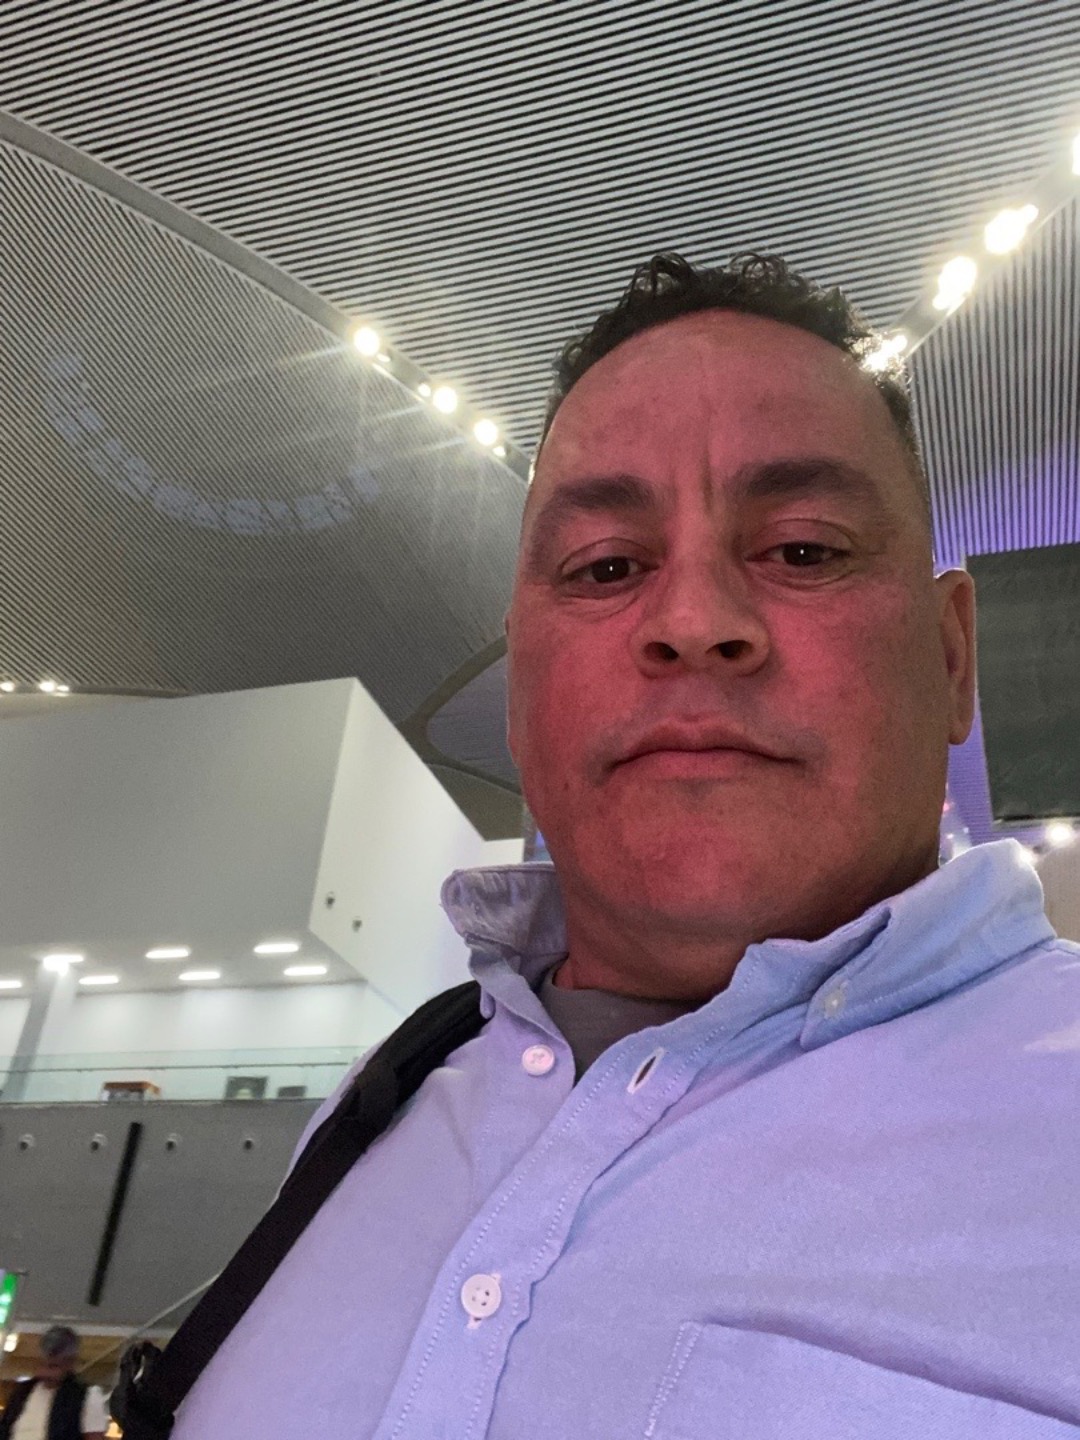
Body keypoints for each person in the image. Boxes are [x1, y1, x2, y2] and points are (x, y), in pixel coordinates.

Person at [172, 254, 1080, 1437]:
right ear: (519, 690)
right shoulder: (371, 1115)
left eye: (804, 549)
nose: (694, 623)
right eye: (605, 567)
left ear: (953, 658)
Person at [0, 1327, 107, 1440]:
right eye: (42, 1364)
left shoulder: (87, 1396)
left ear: (70, 1364)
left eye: (54, 1366)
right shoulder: (22, 1392)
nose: (45, 1373)